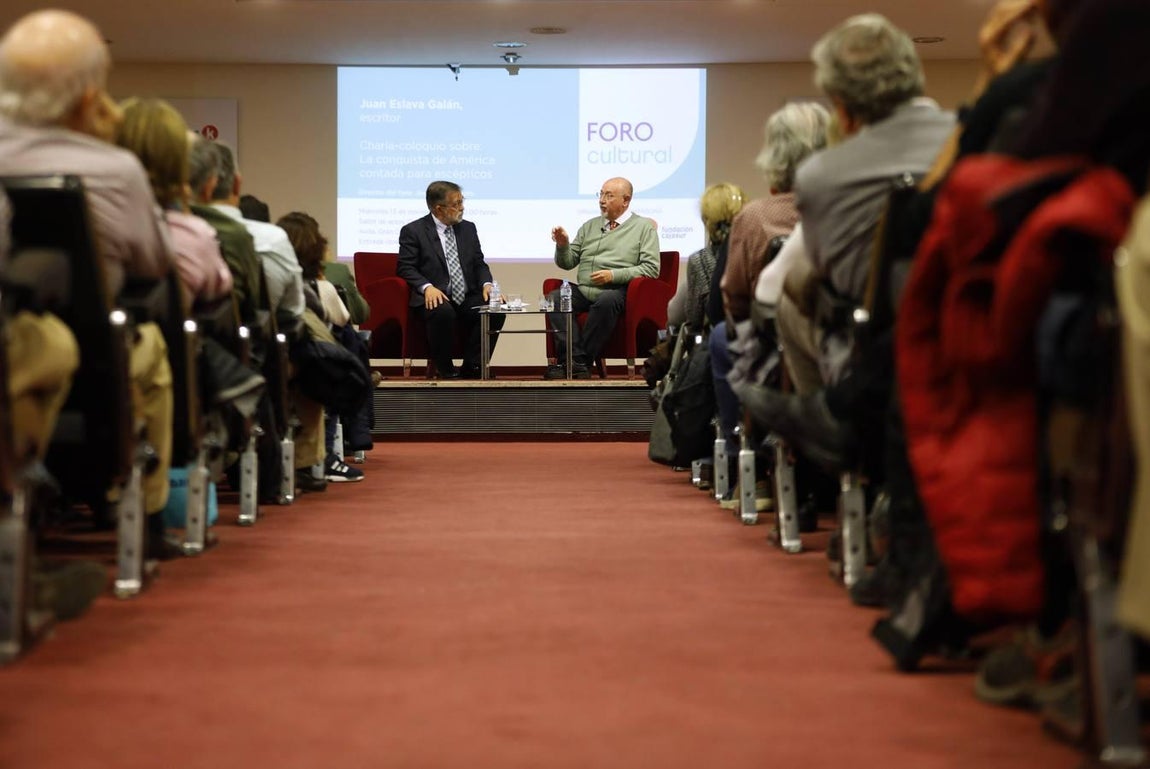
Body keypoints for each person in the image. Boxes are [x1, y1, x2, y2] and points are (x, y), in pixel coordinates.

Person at [0, 9, 177, 560]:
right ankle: (145, 517)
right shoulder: (117, 168)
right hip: (101, 349)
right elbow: (155, 267)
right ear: (87, 96)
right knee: (154, 351)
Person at [545, 176, 660, 379]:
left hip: (619, 290)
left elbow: (651, 269)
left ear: (626, 200)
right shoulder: (589, 226)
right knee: (555, 298)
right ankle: (574, 361)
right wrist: (563, 245)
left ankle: (579, 362)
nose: (602, 200)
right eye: (601, 194)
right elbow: (568, 262)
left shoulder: (643, 228)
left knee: (607, 300)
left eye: (609, 195)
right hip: (585, 289)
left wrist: (613, 275)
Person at [397, 180, 504, 379]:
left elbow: (479, 263)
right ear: (439, 209)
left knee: (494, 309)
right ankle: (444, 368)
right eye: (456, 204)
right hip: (435, 296)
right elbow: (405, 267)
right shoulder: (414, 231)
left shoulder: (468, 229)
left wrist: (487, 284)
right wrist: (426, 287)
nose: (462, 208)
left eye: (462, 201)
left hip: (466, 295)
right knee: (442, 311)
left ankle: (473, 366)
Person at [666, 183, 745, 332]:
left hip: (720, 342)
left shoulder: (701, 260)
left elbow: (692, 320)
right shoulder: (758, 247)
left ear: (706, 219)